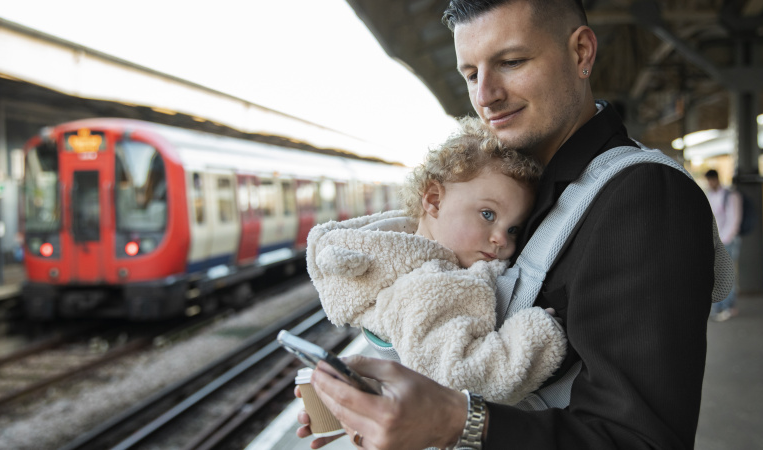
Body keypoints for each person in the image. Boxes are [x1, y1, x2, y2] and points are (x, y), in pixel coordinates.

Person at [299, 1, 718, 449]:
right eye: (471, 74)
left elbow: (642, 440)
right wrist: (377, 397)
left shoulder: (642, 195)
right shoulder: (521, 191)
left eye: (511, 62)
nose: (486, 95)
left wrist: (454, 420)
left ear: (581, 53)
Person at [305, 117, 566, 406]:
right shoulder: (431, 285)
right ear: (433, 200)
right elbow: (460, 378)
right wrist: (537, 335)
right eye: (488, 215)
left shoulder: (406, 261)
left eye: (513, 229)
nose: (502, 239)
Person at [704, 169, 742, 322]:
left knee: (727, 274)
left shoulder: (730, 195)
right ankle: (719, 307)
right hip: (716, 241)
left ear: (717, 179)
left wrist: (724, 240)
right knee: (717, 274)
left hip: (727, 241)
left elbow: (734, 220)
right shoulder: (710, 194)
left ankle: (728, 307)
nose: (710, 183)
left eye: (711, 180)